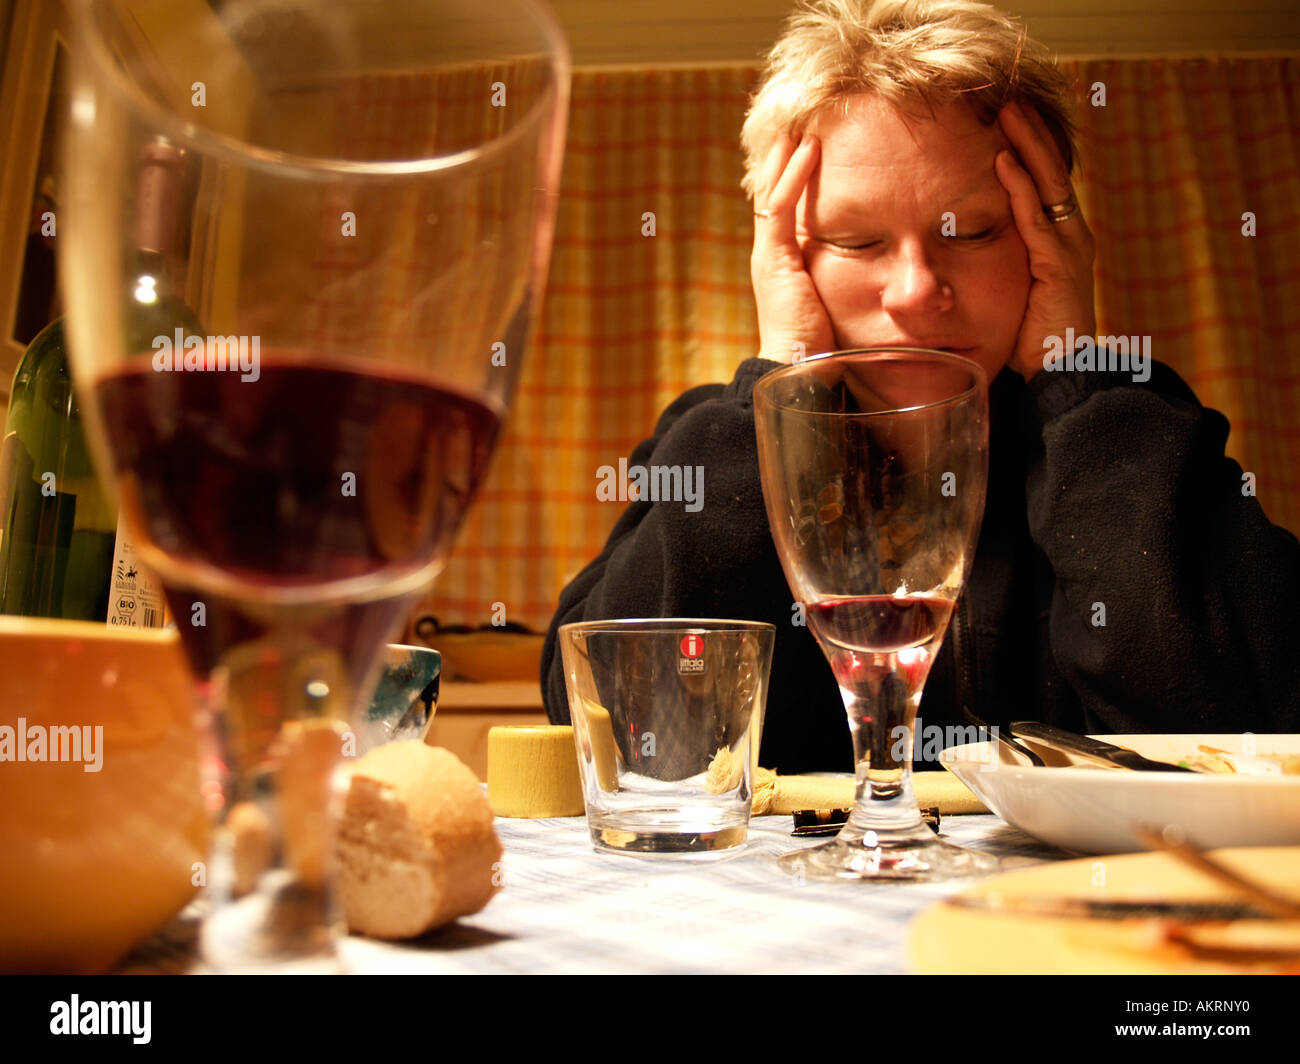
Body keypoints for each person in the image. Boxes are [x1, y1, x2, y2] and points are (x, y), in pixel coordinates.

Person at [541, 0, 1300, 773]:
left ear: (1052, 235)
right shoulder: (714, 440)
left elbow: (1242, 735)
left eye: (970, 232)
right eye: (855, 240)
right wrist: (781, 386)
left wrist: (1077, 380)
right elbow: (639, 741)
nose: (914, 289)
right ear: (786, 258)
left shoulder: (1129, 435)